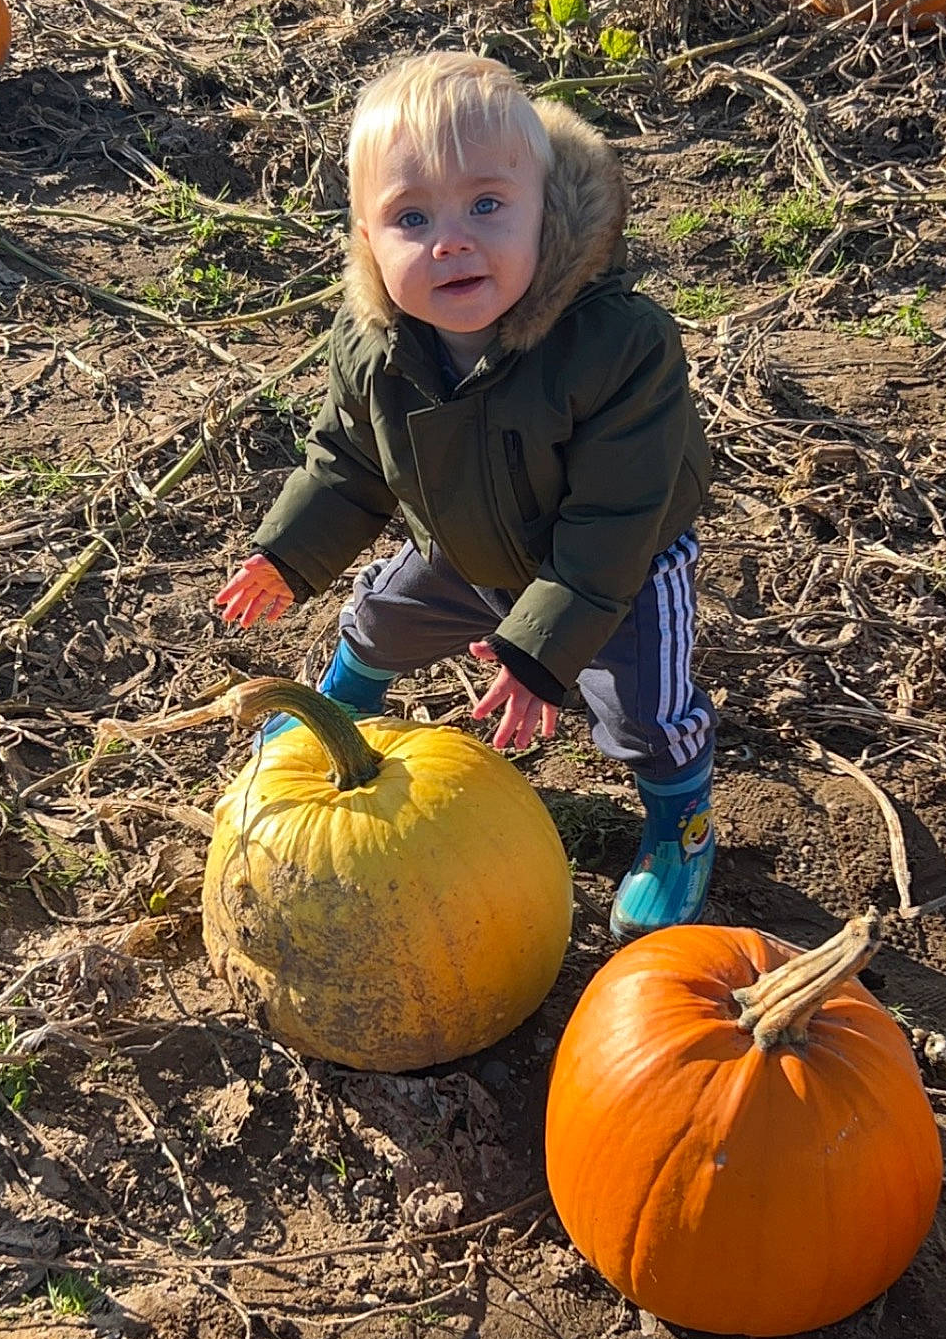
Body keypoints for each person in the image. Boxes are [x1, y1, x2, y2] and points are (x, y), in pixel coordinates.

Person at [215, 52, 715, 937]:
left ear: (545, 213)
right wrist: (287, 553)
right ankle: (337, 714)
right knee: (380, 619)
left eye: (486, 205)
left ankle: (682, 824)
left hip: (616, 569)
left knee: (645, 711)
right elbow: (346, 462)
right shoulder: (374, 344)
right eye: (411, 217)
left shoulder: (617, 344)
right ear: (368, 241)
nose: (450, 241)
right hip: (462, 545)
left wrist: (536, 655)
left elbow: (614, 521)